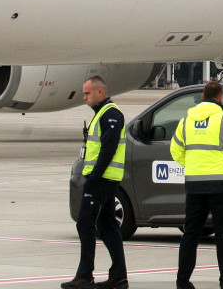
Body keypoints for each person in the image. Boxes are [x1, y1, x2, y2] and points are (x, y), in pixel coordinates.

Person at [172, 80, 223, 289]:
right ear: (220, 98)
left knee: (190, 233)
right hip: (222, 185)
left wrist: (193, 166)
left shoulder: (186, 121)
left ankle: (182, 281)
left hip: (194, 186)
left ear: (202, 97)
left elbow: (175, 150)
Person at [63, 76, 129, 289]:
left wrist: (94, 177)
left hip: (102, 180)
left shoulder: (111, 115)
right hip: (104, 179)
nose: (84, 97)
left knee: (85, 223)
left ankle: (85, 276)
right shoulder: (102, 114)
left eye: (87, 93)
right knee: (107, 225)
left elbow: (108, 149)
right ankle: (119, 277)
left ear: (100, 92)